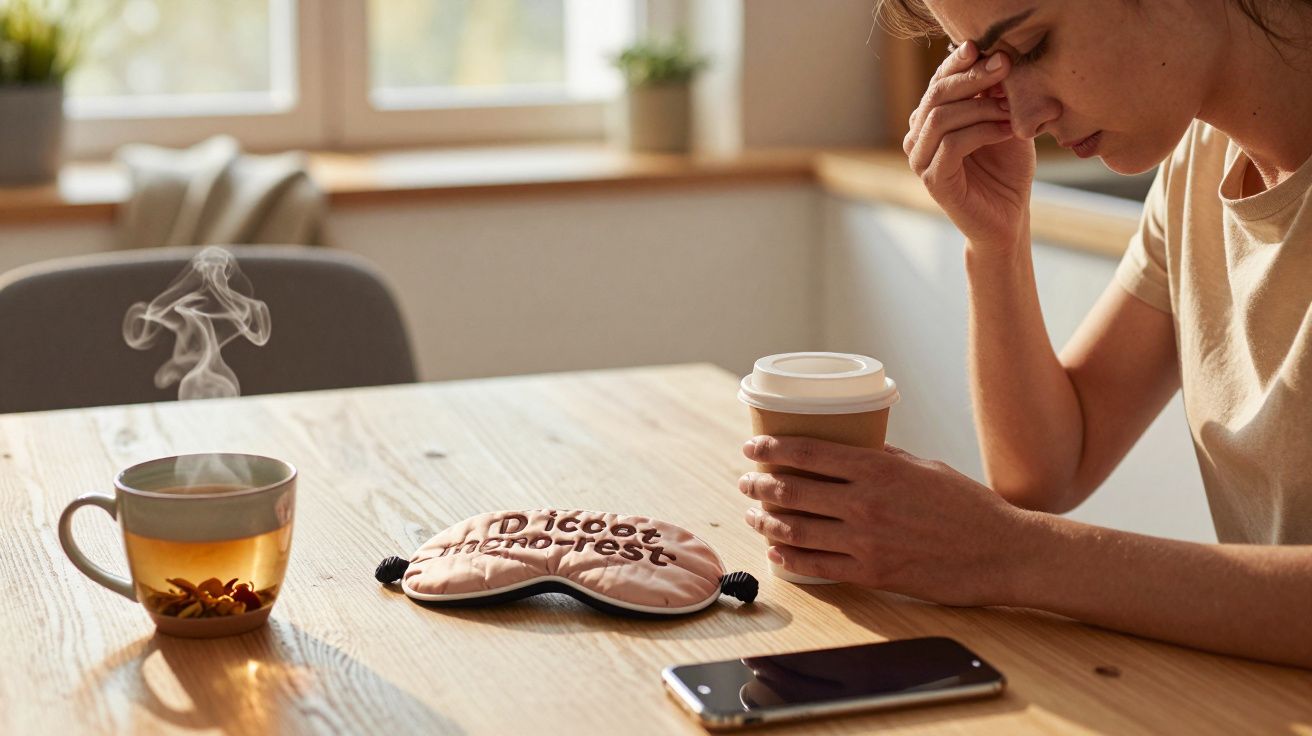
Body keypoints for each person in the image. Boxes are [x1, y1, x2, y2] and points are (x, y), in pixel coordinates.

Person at [739, 0, 1312, 669]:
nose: (1018, 117)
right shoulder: (1200, 162)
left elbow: (1027, 514)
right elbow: (1047, 468)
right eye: (988, 68)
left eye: (1035, 46)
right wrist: (996, 243)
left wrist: (1013, 555)